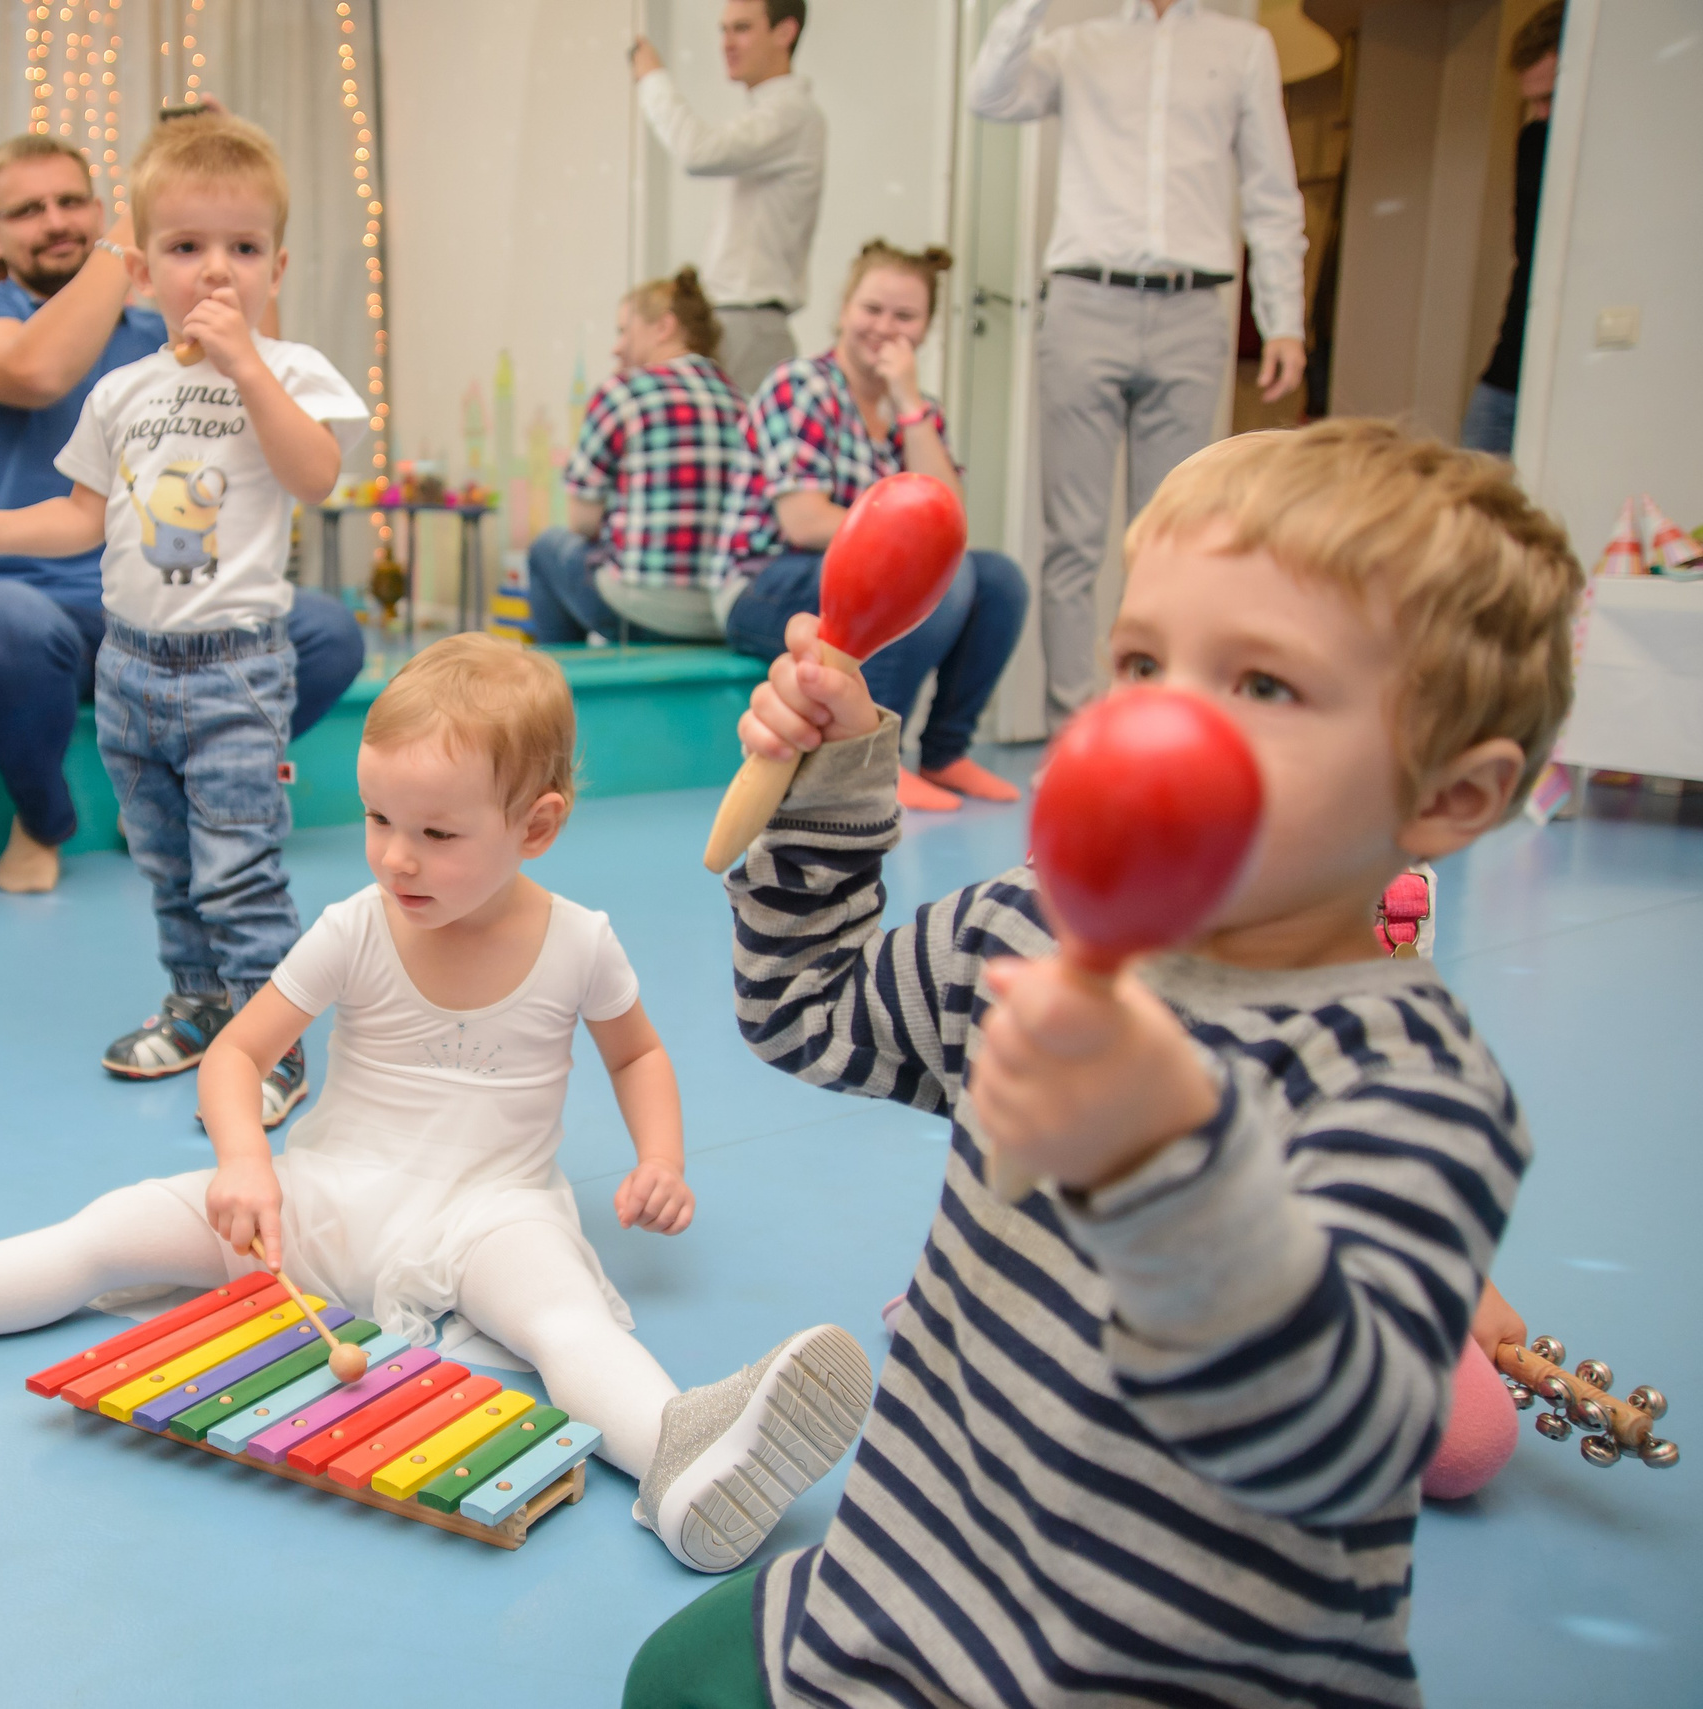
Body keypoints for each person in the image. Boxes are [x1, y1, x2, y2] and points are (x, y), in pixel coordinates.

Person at [632, 420, 1578, 1707]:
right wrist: (838, 772)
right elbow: (812, 1010)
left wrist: (1169, 1171)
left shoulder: (1407, 1081)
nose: (1162, 721)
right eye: (1143, 660)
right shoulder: (1032, 920)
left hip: (1146, 1666)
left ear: (1450, 799)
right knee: (671, 1676)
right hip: (914, 1577)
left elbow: (1330, 1436)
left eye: (1262, 684)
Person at [0, 635, 874, 1576]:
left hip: (490, 1210)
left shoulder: (579, 940)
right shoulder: (357, 923)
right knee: (108, 1231)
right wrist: (244, 1161)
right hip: (315, 1199)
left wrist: (661, 1157)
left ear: (536, 827)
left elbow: (638, 1056)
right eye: (378, 817)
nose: (399, 854)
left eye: (439, 835)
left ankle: (675, 1453)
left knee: (559, 1318)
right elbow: (235, 1054)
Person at [0, 113, 360, 1113]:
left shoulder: (289, 373)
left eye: (242, 249)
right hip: (130, 670)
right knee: (165, 863)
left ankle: (267, 1043)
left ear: (275, 266)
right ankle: (197, 1005)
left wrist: (247, 364)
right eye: (186, 247)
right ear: (140, 263)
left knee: (238, 865)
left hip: (237, 665)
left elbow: (317, 473)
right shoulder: (121, 389)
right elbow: (80, 514)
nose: (215, 272)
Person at [970, 0, 1309, 731]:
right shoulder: (1076, 45)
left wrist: (1284, 321)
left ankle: (1160, 731)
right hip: (1086, 302)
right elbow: (990, 95)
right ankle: (1076, 736)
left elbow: (1272, 194)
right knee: (1074, 541)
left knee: (1177, 541)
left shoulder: (1242, 49)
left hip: (1194, 309)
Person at [715, 240, 1028, 812]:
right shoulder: (801, 385)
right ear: (843, 310)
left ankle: (945, 750)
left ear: (926, 329)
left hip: (845, 581)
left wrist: (908, 407)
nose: (884, 327)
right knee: (938, 580)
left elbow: (947, 522)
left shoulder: (921, 412)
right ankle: (879, 755)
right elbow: (805, 520)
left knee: (998, 577)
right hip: (766, 582)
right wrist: (901, 555)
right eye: (871, 309)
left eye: (904, 316)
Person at [529, 267, 747, 645]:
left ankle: (557, 692)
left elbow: (581, 521)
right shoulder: (741, 401)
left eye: (624, 331)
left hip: (637, 610)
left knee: (546, 549)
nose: (617, 347)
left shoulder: (623, 392)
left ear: (664, 327)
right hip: (717, 611)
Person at [630, 1, 824, 399]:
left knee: (736, 456)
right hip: (738, 322)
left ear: (784, 33)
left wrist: (652, 78)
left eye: (742, 28)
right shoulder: (776, 114)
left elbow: (698, 152)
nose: (727, 43)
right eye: (723, 30)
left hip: (747, 325)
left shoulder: (792, 114)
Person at [1463, 3, 1565, 458]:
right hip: (1509, 365)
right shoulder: (1536, 143)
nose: (1541, 114)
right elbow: (1528, 253)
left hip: (1565, 373)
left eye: (1551, 99)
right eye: (1534, 102)